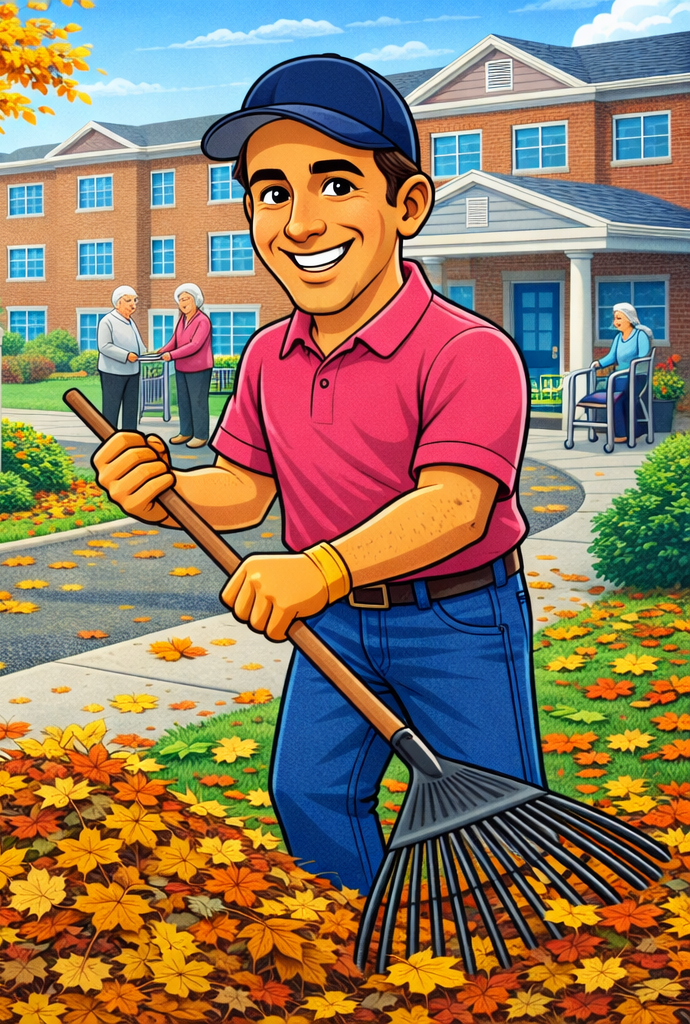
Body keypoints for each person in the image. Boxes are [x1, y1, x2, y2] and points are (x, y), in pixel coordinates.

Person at [92, 54, 545, 895]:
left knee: (501, 817)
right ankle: (355, 938)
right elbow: (244, 488)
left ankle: (501, 970)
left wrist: (320, 567)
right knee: (308, 791)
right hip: (330, 619)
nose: (300, 223)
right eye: (272, 192)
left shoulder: (469, 351)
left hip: (458, 618)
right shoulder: (269, 354)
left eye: (335, 185)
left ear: (406, 204)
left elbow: (457, 505)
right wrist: (165, 489)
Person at [578, 302, 653, 443]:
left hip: (637, 376)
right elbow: (611, 357)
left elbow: (644, 356)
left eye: (619, 318)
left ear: (629, 318)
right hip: (619, 377)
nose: (615, 322)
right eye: (615, 318)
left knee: (620, 396)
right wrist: (598, 363)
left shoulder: (640, 335)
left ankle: (623, 433)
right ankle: (627, 431)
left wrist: (631, 367)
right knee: (614, 395)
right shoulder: (618, 338)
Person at [159, 283, 214, 448]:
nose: (183, 302)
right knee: (183, 401)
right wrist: (161, 351)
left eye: (186, 299)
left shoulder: (202, 320)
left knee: (197, 402)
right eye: (180, 299)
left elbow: (194, 344)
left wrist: (172, 355)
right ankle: (186, 432)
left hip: (199, 369)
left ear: (195, 300)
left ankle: (201, 435)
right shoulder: (182, 320)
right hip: (181, 368)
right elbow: (175, 340)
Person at [97, 286, 146, 431]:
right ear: (118, 303)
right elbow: (104, 346)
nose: (133, 304)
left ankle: (131, 438)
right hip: (113, 373)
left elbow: (138, 344)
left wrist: (147, 353)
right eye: (128, 300)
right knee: (111, 410)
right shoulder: (107, 321)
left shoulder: (130, 321)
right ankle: (108, 440)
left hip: (133, 371)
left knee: (131, 409)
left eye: (135, 300)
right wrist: (126, 355)